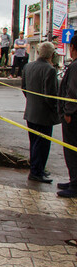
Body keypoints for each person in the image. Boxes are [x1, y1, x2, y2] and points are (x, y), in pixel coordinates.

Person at [21, 41, 60, 184]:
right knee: (42, 145)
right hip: (44, 114)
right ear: (51, 54)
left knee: (34, 143)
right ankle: (37, 172)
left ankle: (37, 168)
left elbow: (24, 88)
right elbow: (50, 95)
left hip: (31, 112)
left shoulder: (28, 66)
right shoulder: (50, 70)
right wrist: (56, 109)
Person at [57, 35, 77, 197]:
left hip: (73, 116)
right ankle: (73, 180)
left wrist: (68, 112)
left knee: (71, 150)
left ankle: (75, 185)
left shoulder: (75, 67)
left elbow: (72, 92)